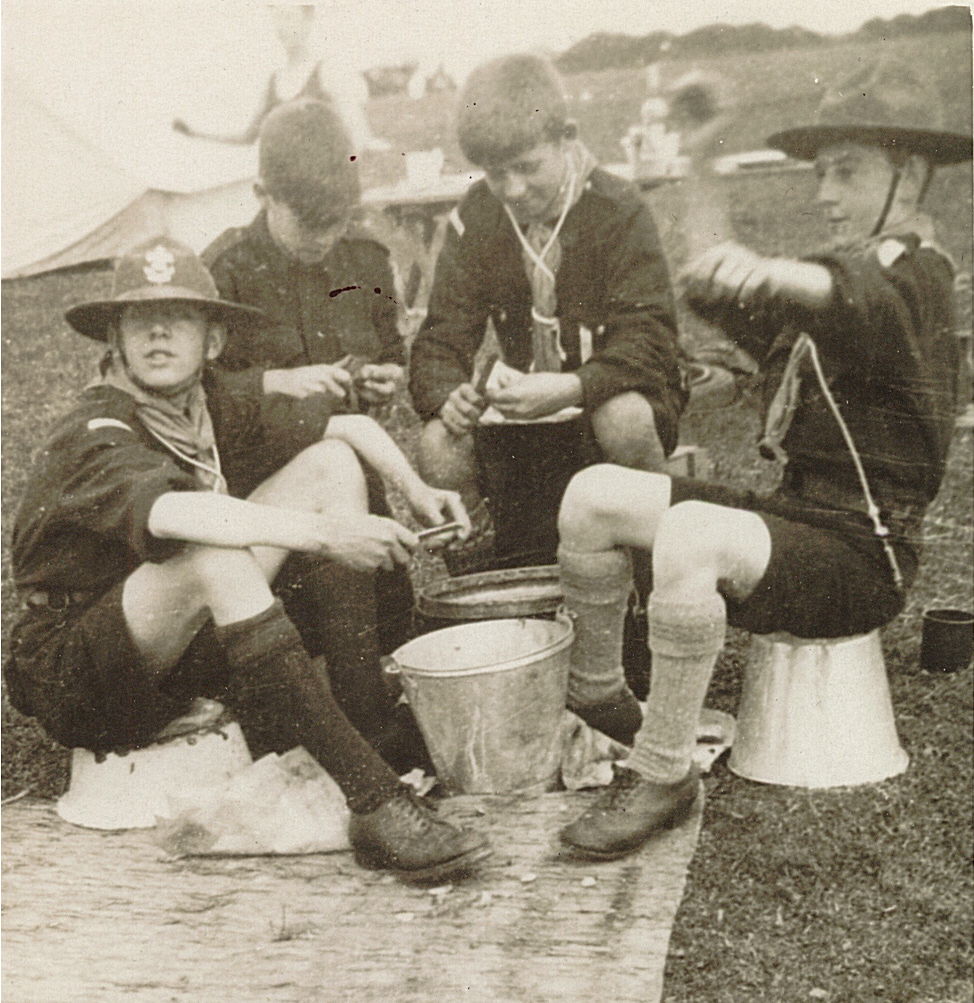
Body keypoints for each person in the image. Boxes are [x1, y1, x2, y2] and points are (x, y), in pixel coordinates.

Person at [555, 57, 970, 860]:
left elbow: (865, 298)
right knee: (594, 494)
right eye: (820, 173)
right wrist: (703, 159)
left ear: (912, 174)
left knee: (692, 535)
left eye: (848, 171)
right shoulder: (839, 279)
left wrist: (778, 271)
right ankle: (601, 695)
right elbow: (716, 280)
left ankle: (665, 773)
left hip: (867, 553)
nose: (825, 193)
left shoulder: (921, 277)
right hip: (800, 516)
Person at [3, 238, 488, 883]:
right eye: (139, 320)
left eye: (178, 317)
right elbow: (173, 515)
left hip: (171, 648)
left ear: (213, 342)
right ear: (115, 340)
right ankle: (374, 802)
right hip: (80, 673)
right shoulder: (97, 427)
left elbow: (347, 426)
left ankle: (368, 728)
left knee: (329, 463)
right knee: (215, 554)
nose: (157, 333)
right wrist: (326, 535)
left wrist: (417, 490)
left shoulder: (202, 401)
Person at [408, 54, 685, 573]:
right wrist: (449, 396)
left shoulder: (616, 208)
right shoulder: (478, 215)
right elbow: (441, 336)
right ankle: (486, 586)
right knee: (439, 444)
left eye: (527, 167)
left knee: (622, 418)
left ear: (565, 137)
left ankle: (655, 569)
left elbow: (649, 337)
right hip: (528, 409)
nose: (513, 189)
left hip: (614, 393)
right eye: (496, 174)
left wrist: (575, 387)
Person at [204, 97, 413, 655]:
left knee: (390, 636)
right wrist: (273, 384)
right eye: (308, 222)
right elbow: (201, 400)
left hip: (358, 492)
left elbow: (390, 347)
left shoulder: (365, 260)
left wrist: (385, 376)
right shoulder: (223, 275)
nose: (324, 238)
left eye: (337, 221)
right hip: (264, 499)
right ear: (263, 195)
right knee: (290, 649)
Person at [173, 3, 388, 153]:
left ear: (308, 20)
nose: (282, 27)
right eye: (277, 17)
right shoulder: (274, 81)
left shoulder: (327, 72)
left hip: (322, 189)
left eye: (288, 17)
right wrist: (195, 132)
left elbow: (359, 134)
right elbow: (247, 136)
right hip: (284, 189)